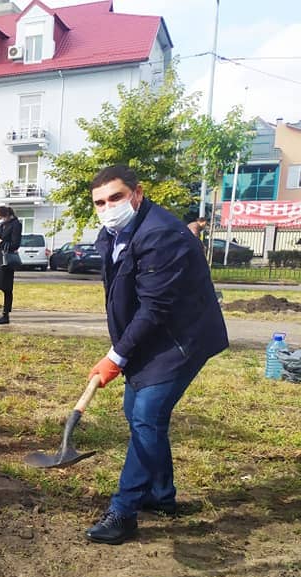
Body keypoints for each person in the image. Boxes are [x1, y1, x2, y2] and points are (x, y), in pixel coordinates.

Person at [84, 165, 228, 545]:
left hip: (181, 340)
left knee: (146, 416)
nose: (108, 206)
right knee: (137, 413)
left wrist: (116, 357)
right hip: (153, 337)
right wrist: (123, 349)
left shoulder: (161, 235)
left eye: (116, 197)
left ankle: (124, 511)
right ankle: (161, 495)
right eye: (100, 202)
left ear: (137, 193)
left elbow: (154, 308)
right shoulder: (115, 233)